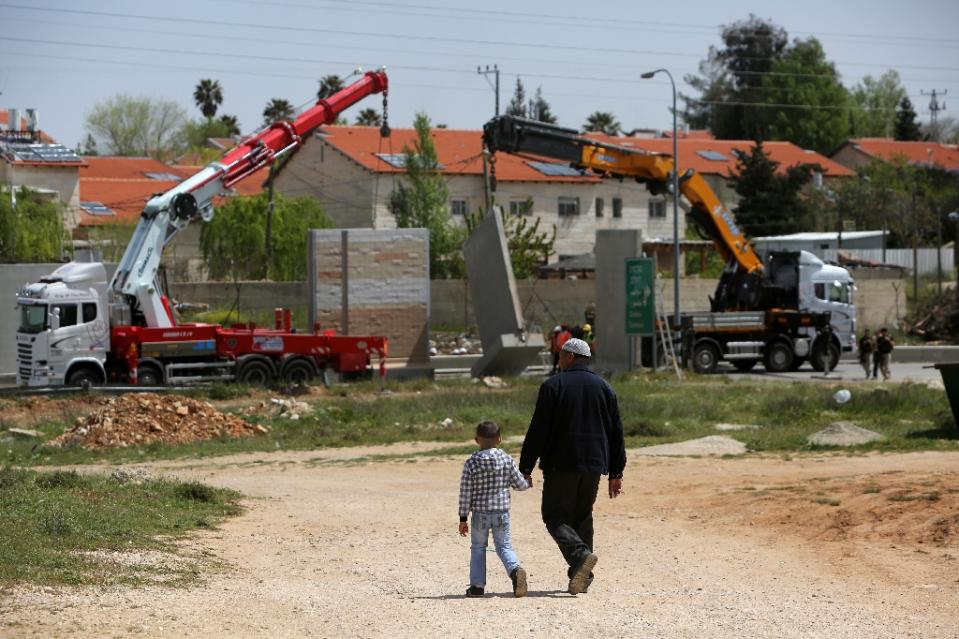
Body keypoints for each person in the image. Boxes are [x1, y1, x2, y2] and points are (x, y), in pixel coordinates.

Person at [519, 337, 626, 595]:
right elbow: (616, 433)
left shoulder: (553, 386)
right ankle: (583, 576)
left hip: (561, 464)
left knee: (555, 516)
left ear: (568, 356)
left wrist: (525, 467)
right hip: (594, 466)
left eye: (559, 355)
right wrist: (616, 472)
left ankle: (580, 557)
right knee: (582, 516)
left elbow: (538, 430)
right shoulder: (605, 388)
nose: (558, 359)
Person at [458, 420, 530, 598]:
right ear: (500, 439)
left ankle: (476, 587)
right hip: (501, 513)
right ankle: (515, 570)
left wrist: (462, 518)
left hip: (480, 514)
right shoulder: (506, 459)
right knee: (504, 545)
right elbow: (520, 485)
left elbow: (465, 492)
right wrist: (527, 481)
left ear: (476, 440)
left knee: (478, 548)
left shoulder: (472, 463)